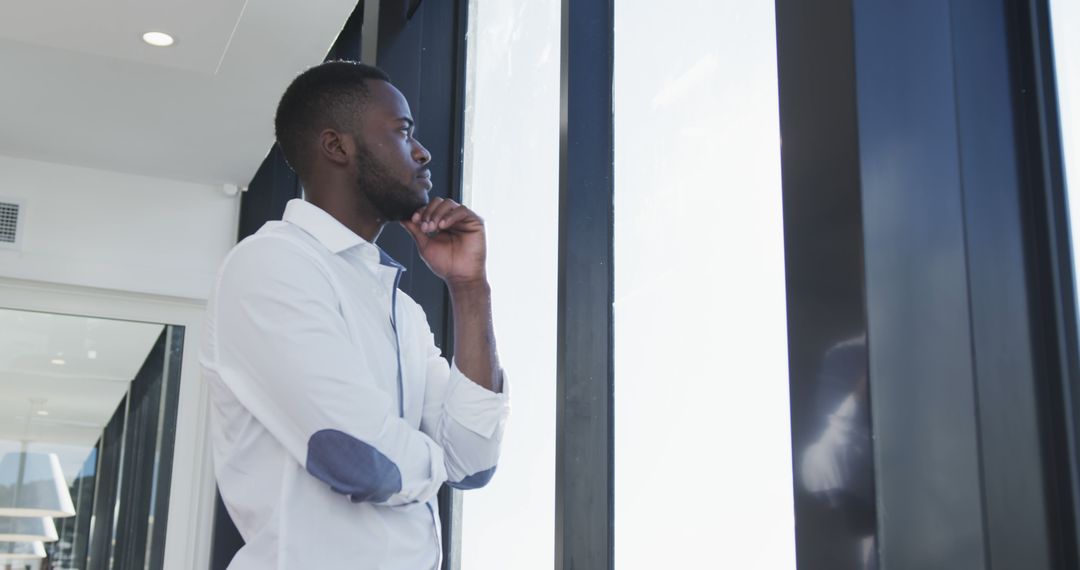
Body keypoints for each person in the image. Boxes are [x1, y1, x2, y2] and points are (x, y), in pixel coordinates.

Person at [200, 61, 509, 569]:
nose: (422, 151)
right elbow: (362, 460)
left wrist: (469, 288)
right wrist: (438, 461)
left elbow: (474, 463)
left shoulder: (399, 308)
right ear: (337, 146)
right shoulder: (271, 266)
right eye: (403, 131)